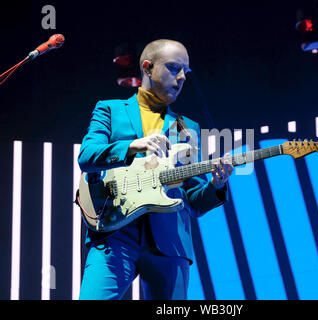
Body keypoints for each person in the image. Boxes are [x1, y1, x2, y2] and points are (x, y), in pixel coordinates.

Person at [77, 39, 234, 300]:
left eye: (186, 71)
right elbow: (87, 156)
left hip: (170, 244)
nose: (182, 77)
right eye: (174, 67)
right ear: (147, 68)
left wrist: (215, 186)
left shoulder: (188, 127)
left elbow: (193, 200)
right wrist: (131, 146)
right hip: (114, 235)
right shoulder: (110, 109)